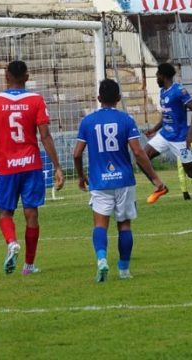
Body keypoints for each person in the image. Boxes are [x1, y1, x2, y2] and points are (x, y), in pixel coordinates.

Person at [0, 60, 64, 275]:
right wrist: (57, 166)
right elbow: (45, 135)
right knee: (31, 214)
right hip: (31, 165)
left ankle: (11, 242)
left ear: (6, 77)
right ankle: (28, 265)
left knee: (5, 212)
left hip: (6, 167)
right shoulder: (36, 100)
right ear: (26, 77)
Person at [73, 79, 166, 282]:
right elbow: (138, 152)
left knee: (100, 225)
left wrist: (81, 176)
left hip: (99, 182)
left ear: (98, 98)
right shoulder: (126, 120)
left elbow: (77, 154)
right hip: (123, 180)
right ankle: (124, 270)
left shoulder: (88, 122)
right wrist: (155, 179)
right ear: (118, 98)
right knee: (124, 226)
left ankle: (102, 260)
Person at [143, 63, 192, 209]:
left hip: (180, 139)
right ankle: (160, 187)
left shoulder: (179, 91)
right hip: (165, 135)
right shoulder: (163, 92)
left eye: (157, 75)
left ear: (163, 76)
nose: (156, 78)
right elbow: (167, 114)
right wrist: (154, 129)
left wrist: (190, 133)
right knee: (142, 157)